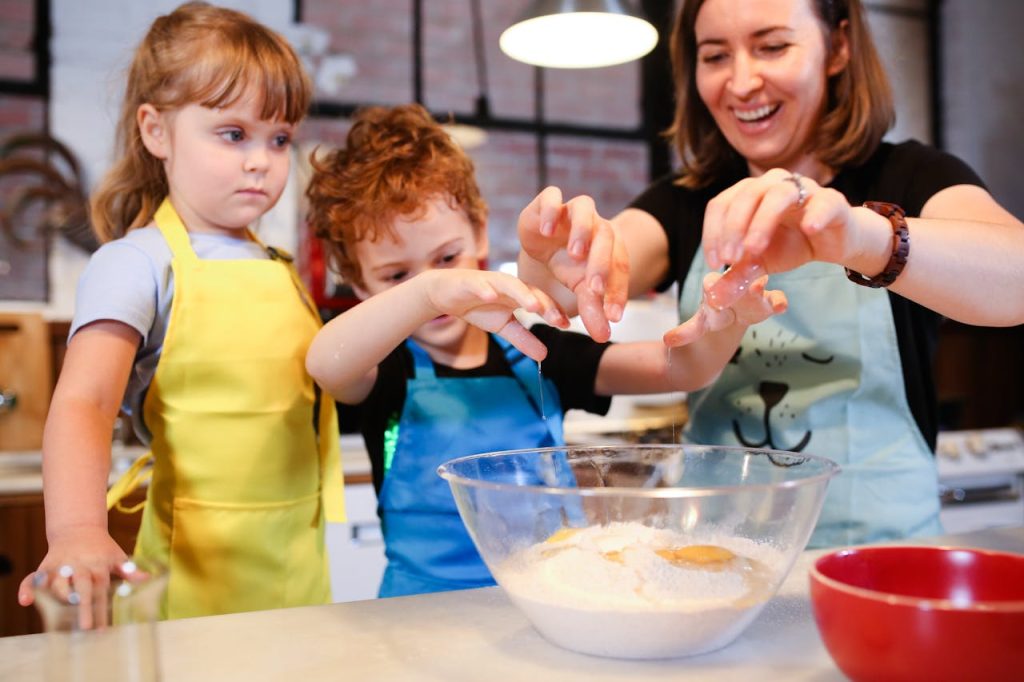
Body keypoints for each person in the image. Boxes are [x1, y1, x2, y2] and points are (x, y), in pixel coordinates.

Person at [516, 0, 1024, 548]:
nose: (741, 82)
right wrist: (549, 259)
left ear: (839, 46)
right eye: (714, 56)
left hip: (882, 558)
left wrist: (862, 238)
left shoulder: (913, 177)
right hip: (716, 557)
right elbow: (569, 290)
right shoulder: (680, 203)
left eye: (772, 47)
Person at [304, 103, 788, 598]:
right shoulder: (384, 369)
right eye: (395, 276)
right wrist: (426, 291)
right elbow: (325, 363)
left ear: (479, 232)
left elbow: (684, 368)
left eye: (447, 259)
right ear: (360, 286)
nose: (439, 285)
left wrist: (728, 324)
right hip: (415, 611)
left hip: (549, 596)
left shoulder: (537, 352)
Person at [18, 2, 346, 620]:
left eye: (279, 139)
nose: (261, 160)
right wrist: (74, 529)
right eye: (233, 134)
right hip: (190, 575)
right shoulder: (136, 262)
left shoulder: (279, 264)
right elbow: (83, 402)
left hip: (299, 565)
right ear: (156, 130)